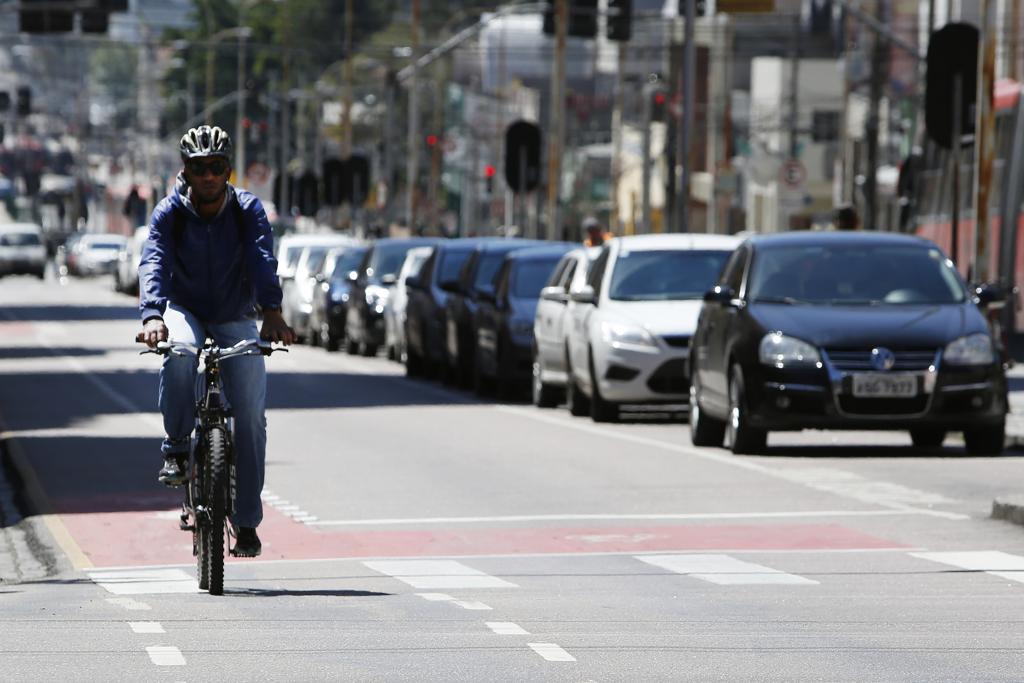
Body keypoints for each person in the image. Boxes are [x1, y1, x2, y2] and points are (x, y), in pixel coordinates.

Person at [138, 125, 295, 558]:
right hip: (184, 309)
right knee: (179, 353)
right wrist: (152, 316)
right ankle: (176, 449)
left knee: (251, 417)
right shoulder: (169, 213)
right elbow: (154, 261)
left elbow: (261, 259)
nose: (207, 175)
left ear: (228, 170)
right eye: (198, 168)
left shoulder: (247, 210)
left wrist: (272, 312)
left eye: (216, 166)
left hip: (234, 314)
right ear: (185, 170)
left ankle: (246, 522)